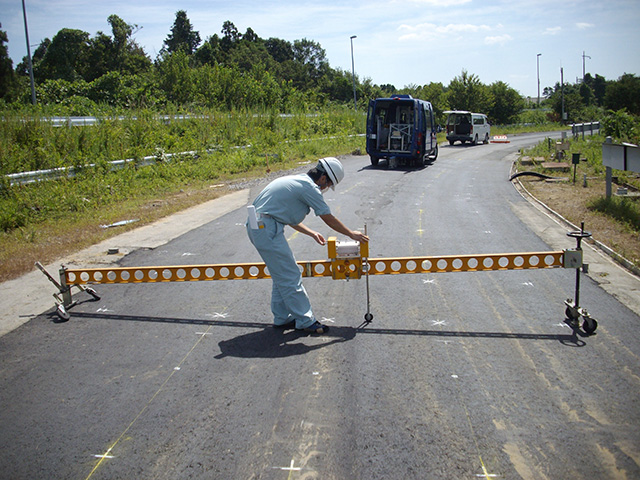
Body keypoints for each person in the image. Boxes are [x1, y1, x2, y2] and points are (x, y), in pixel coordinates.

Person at [246, 157, 369, 334]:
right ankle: (305, 320)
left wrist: (311, 233)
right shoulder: (310, 188)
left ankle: (282, 318)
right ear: (323, 178)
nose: (325, 188)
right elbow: (327, 217)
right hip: (266, 228)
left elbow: (283, 216)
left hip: (261, 226)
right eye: (327, 185)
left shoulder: (297, 181)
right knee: (290, 274)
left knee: (282, 274)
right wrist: (351, 233)